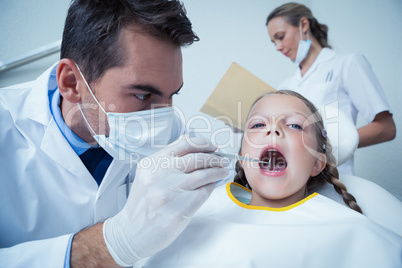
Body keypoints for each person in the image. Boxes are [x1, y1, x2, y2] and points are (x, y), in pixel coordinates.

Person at [0, 1, 230, 267]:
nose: (162, 118)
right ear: (72, 83)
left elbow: (222, 185)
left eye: (172, 95)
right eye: (142, 95)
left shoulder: (170, 130)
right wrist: (114, 243)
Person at [138, 90, 402, 267]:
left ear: (316, 164)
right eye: (258, 125)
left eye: (295, 125)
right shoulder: (192, 216)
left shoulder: (355, 233)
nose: (273, 129)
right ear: (242, 157)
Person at [266, 2, 396, 175]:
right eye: (273, 42)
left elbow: (386, 128)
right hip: (292, 181)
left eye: (280, 36)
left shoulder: (347, 65)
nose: (278, 47)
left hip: (334, 179)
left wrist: (328, 146)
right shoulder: (285, 86)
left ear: (303, 25)